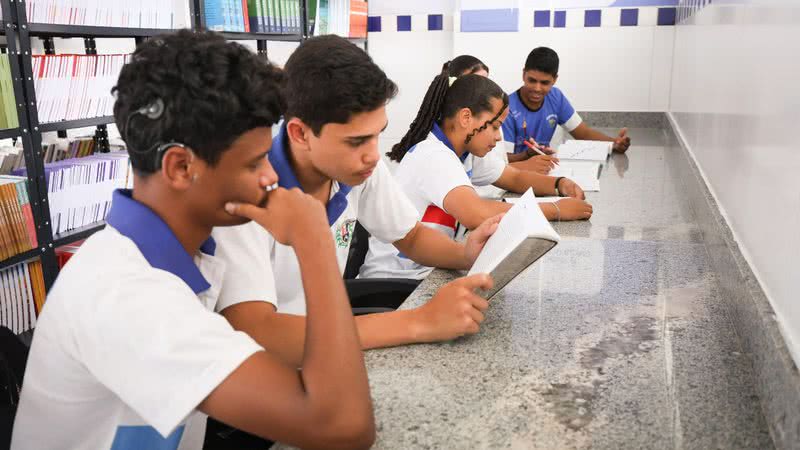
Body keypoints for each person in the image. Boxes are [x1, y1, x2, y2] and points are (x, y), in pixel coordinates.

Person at [11, 31, 375, 450]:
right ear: (181, 167)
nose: (270, 177)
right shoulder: (124, 293)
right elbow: (342, 426)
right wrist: (315, 244)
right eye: (255, 162)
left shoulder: (184, 257)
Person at [211, 35, 497, 366]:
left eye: (378, 134)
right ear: (300, 133)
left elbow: (411, 236)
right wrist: (420, 321)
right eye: (357, 141)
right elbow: (258, 332)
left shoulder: (355, 167)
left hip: (327, 347)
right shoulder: (246, 193)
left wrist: (465, 254)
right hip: (269, 370)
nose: (373, 155)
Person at [359, 64, 593, 280]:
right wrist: (556, 209)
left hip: (427, 269)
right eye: (495, 126)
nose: (498, 137)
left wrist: (559, 183)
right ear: (466, 118)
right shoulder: (434, 155)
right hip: (396, 281)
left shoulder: (465, 151)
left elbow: (513, 177)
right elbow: (477, 213)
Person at [502, 47, 631, 174]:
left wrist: (614, 143)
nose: (537, 88)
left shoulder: (556, 97)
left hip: (544, 171)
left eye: (544, 83)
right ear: (523, 74)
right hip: (514, 175)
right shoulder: (507, 108)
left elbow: (584, 133)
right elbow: (502, 161)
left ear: (554, 80)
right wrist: (527, 155)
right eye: (532, 80)